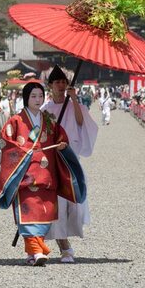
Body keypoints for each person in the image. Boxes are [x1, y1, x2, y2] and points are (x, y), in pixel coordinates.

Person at [0, 82, 86, 266]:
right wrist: (22, 152)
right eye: (33, 96)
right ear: (26, 99)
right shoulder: (16, 121)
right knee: (28, 214)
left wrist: (62, 143)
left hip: (46, 174)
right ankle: (37, 251)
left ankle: (33, 253)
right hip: (25, 175)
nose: (37, 100)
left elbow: (60, 136)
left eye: (40, 96)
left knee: (43, 214)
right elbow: (6, 142)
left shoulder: (49, 120)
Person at [41, 66, 98, 263]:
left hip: (71, 158)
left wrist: (74, 99)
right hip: (52, 161)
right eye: (57, 82)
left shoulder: (77, 105)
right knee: (56, 204)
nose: (61, 85)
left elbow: (82, 124)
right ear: (50, 86)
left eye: (63, 82)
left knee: (73, 203)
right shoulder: (45, 110)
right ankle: (64, 246)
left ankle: (64, 240)